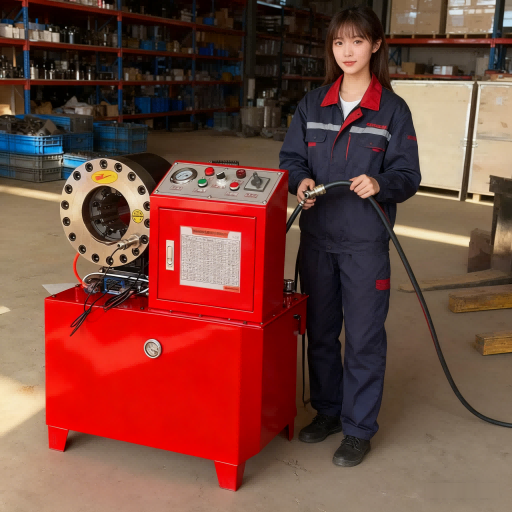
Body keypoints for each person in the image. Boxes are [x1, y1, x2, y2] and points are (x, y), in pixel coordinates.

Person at [279, 7, 421, 467]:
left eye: (357, 41)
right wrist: (300, 181)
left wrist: (381, 182)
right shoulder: (312, 104)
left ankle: (359, 428)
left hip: (364, 244)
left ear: (375, 45)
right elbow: (290, 159)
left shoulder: (393, 110)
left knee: (363, 339)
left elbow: (408, 174)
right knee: (320, 333)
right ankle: (328, 411)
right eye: (339, 42)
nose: (347, 51)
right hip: (317, 239)